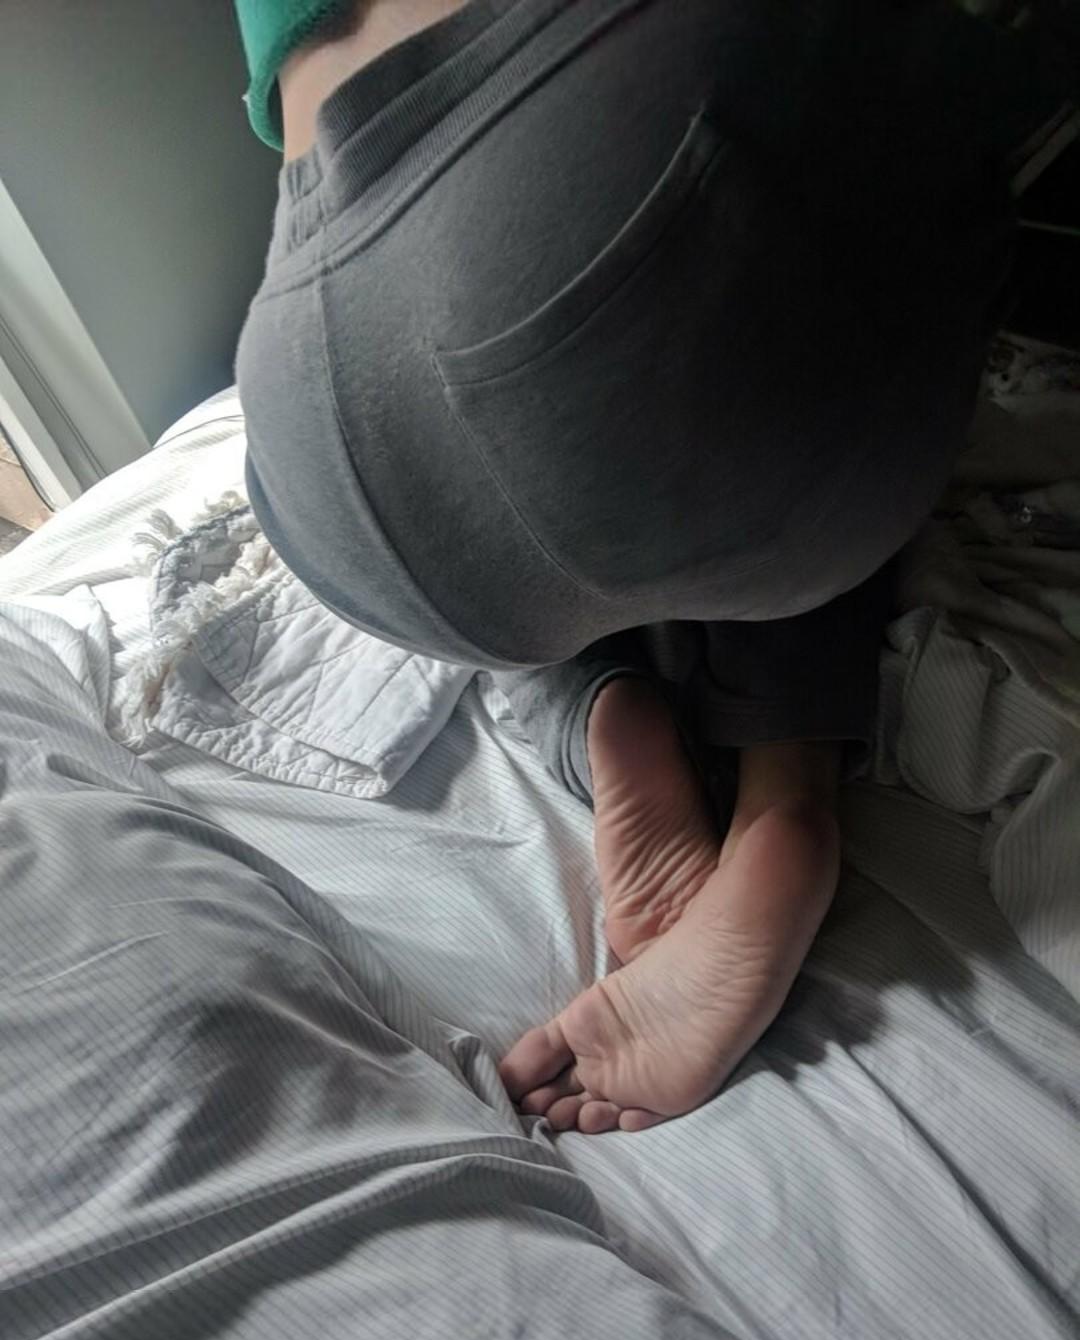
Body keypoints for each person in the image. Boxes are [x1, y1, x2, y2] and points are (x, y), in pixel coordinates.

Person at [232, 0, 1070, 1132]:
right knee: (756, 352)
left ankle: (596, 704)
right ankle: (785, 795)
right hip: (604, 221)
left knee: (562, 503)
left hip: (329, 450)